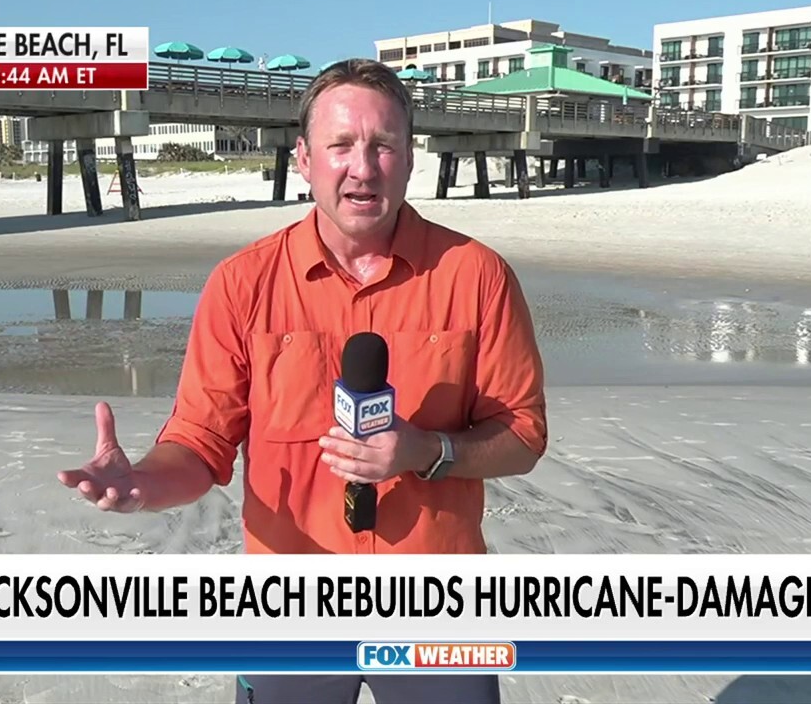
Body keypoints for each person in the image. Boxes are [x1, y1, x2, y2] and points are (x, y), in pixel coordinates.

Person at [57, 58, 547, 704]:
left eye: (383, 146)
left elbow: (523, 433)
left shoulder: (476, 276)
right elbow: (201, 444)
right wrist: (141, 483)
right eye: (340, 145)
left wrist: (427, 450)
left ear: (408, 158)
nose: (362, 167)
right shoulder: (243, 284)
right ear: (305, 159)